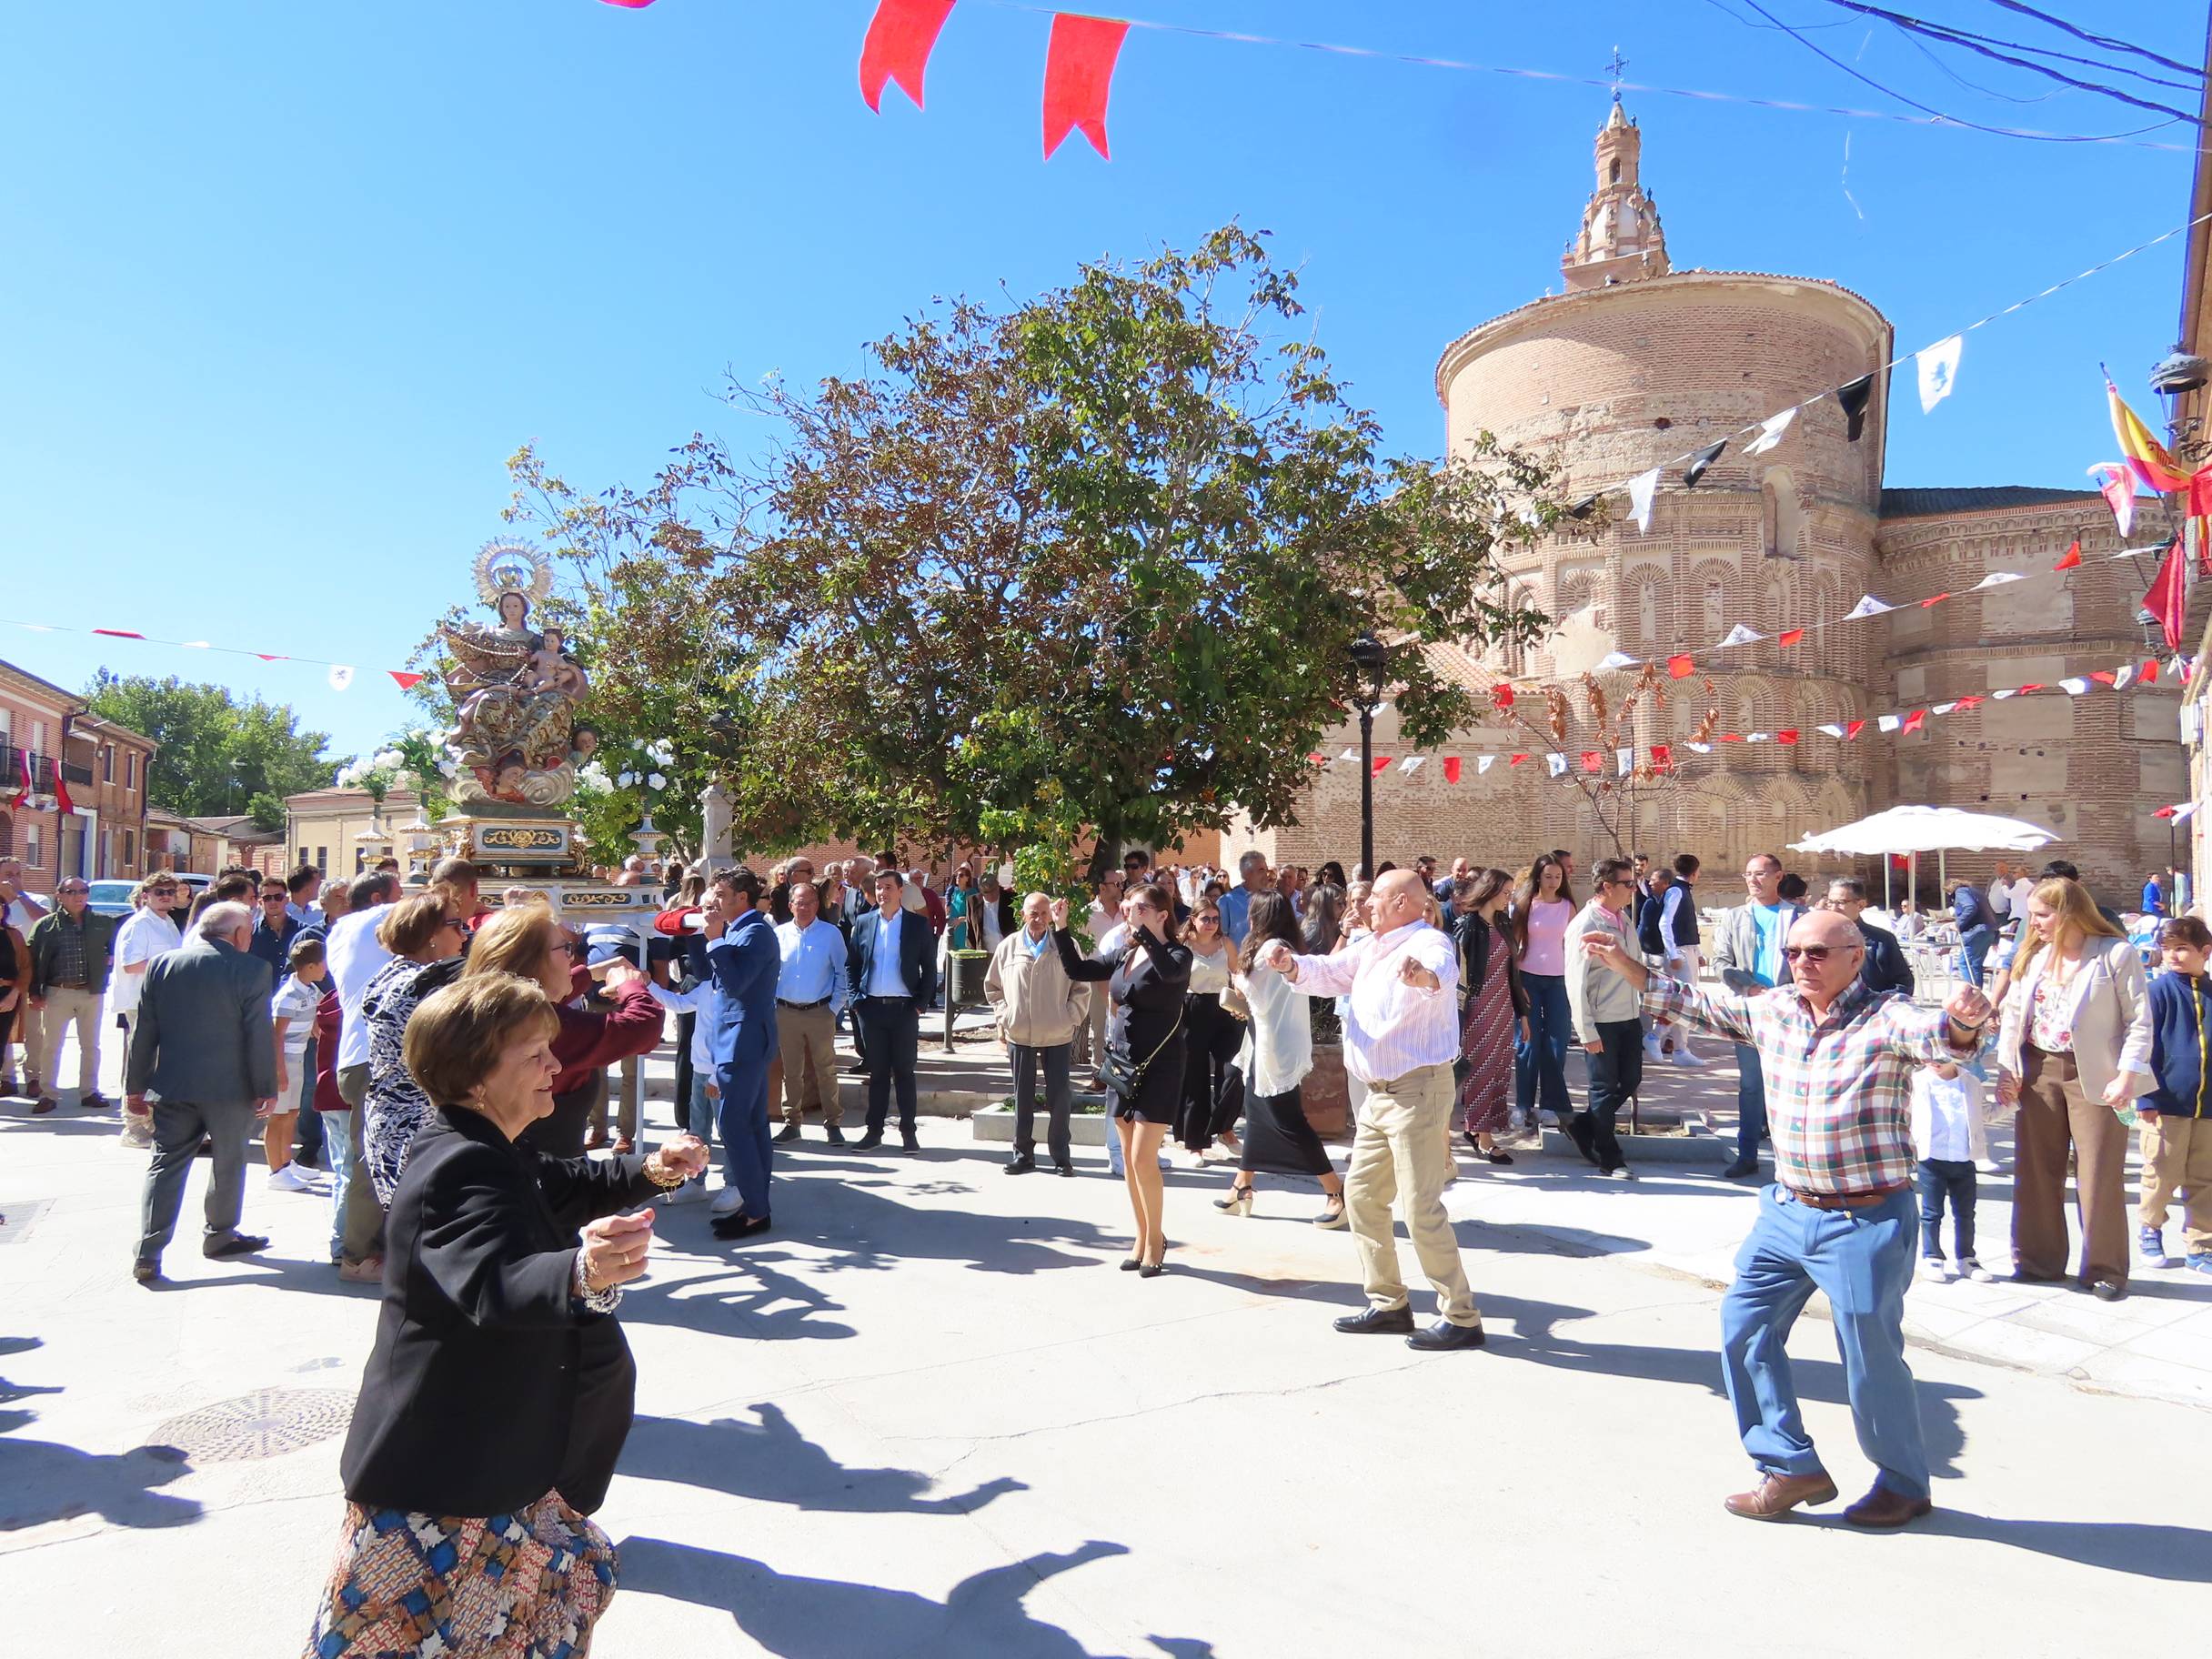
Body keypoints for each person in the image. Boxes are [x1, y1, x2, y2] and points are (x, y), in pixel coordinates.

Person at [308, 972, 708, 1657]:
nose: (556, 1065)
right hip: (438, 1482)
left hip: (488, 1467)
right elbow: (488, 1282)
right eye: (534, 1054)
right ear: (475, 1077)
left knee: (558, 1592)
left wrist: (657, 1170)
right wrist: (581, 1271)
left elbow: (568, 1185)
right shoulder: (460, 1164)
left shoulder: (491, 1145)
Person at [1583, 908, 1995, 1527]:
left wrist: (1963, 1023)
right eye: (1796, 951)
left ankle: (1903, 1482)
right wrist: (1627, 967)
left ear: (1855, 957)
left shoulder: (1885, 1017)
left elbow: (1941, 1038)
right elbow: (1698, 1005)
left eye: (1818, 953)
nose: (1802, 962)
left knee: (1869, 1356)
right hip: (1786, 1210)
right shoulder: (1773, 1008)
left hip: (1865, 1217)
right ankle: (1787, 1465)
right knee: (1743, 1328)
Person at [1258, 870, 1482, 1349]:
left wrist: (1423, 978)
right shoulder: (1369, 946)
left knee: (1421, 1208)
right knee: (1361, 1198)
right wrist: (1290, 965)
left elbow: (1442, 975)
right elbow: (1327, 973)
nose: (1365, 904)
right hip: (1379, 1097)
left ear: (1401, 901)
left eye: (1376, 897)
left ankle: (1462, 1317)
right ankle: (1388, 1304)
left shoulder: (1429, 942)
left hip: (1416, 1092)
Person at [1994, 876, 2153, 1301]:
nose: (2034, 924)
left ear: (2069, 913)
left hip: (2095, 1074)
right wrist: (2007, 1068)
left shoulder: (2115, 954)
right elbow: (2014, 1017)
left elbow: (2139, 1018)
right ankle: (2037, 1262)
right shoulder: (2034, 956)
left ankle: (2105, 1269)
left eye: (2042, 915)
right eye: (2032, 915)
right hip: (2038, 1068)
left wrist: (2127, 1074)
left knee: (2098, 1171)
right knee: (2035, 1169)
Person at [126, 901, 279, 1282]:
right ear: (240, 934)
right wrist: (266, 1087)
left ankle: (149, 1250)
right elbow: (256, 1034)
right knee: (229, 1163)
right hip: (230, 1089)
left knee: (165, 1165)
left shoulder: (163, 964)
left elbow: (145, 1031)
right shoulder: (252, 969)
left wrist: (134, 1086)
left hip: (173, 1086)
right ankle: (220, 1235)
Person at [1051, 884, 1191, 1274]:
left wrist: (1143, 931)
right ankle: (1143, 1236)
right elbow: (1079, 969)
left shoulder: (1179, 955)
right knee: (1129, 1161)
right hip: (1123, 1065)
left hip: (1160, 1066)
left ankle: (1157, 1239)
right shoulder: (1127, 954)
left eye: (1141, 908)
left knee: (1143, 1158)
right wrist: (1061, 930)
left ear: (1163, 915)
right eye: (1131, 906)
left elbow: (1168, 972)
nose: (1131, 911)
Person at [460, 904, 664, 1162]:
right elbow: (644, 1026)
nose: (572, 956)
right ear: (533, 962)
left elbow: (537, 991)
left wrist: (590, 974)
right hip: (546, 1184)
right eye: (565, 948)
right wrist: (630, 984)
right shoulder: (538, 1027)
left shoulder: (487, 1009)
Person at [1218, 892, 1345, 1224]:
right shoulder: (1275, 944)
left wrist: (1235, 985)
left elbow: (1249, 986)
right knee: (1258, 1115)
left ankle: (1336, 1191)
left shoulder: (1273, 948)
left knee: (1287, 1120)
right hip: (1262, 1042)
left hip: (1275, 1047)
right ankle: (1241, 1185)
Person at [359, 891, 473, 1205]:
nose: (464, 933)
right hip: (417, 1122)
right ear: (431, 934)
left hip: (388, 1115)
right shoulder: (426, 983)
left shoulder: (388, 973)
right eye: (456, 925)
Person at [1711, 853, 1805, 1180]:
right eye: (1749, 874)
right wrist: (1748, 987)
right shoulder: (1735, 917)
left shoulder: (1799, 916)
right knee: (1751, 1086)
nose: (1754, 879)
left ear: (1778, 876)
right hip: (1749, 1013)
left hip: (1790, 1012)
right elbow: (1720, 961)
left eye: (1761, 873)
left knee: (1791, 1086)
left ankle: (1790, 1159)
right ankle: (1747, 1153)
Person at [327, 870, 401, 1283]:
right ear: (379, 900)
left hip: (359, 1058)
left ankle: (364, 1248)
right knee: (371, 1161)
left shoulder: (341, 929)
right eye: (398, 895)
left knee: (371, 1157)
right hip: (375, 1059)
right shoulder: (376, 920)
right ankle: (357, 1255)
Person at [984, 892, 1090, 1176]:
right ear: (1022, 914)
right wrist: (1005, 1017)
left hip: (1057, 1034)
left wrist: (1071, 1018)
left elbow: (1081, 987)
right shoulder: (1009, 947)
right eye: (1034, 913)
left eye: (1045, 913)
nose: (1039, 919)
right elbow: (993, 988)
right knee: (1022, 1096)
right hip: (1020, 1033)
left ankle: (1061, 1156)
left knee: (1059, 1097)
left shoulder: (1065, 945)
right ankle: (1023, 1155)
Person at [700, 867, 780, 1235]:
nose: (714, 900)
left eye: (721, 894)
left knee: (734, 1125)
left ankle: (756, 1211)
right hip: (739, 1039)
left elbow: (734, 983)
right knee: (751, 1124)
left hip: (744, 1040)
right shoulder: (741, 928)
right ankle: (755, 1206)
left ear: (742, 898)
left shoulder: (755, 932)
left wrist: (715, 941)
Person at [2138, 915, 2212, 1275]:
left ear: (2205, 952)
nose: (2173, 956)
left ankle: (2201, 1245)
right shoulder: (2157, 993)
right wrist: (2146, 1098)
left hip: (2209, 1108)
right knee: (2161, 1173)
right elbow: (2144, 1049)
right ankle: (2150, 1228)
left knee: (2205, 1178)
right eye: (2167, 949)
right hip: (2167, 1104)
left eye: (2182, 948)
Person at [1563, 858, 1644, 1179]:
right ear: (1606, 887)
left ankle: (1584, 1126)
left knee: (1631, 1080)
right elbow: (1575, 980)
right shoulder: (1586, 924)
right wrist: (1586, 1030)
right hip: (1602, 1020)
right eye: (1628, 884)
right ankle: (1609, 1157)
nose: (1633, 889)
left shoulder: (1623, 918)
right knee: (1603, 1086)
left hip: (1629, 1014)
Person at [849, 869, 937, 1151]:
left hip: (904, 1010)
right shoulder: (864, 923)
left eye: (888, 887)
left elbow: (930, 969)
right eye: (878, 888)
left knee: (904, 1073)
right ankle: (873, 1131)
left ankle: (908, 1133)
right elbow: (852, 965)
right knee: (877, 1073)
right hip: (871, 1009)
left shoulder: (916, 925)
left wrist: (920, 1006)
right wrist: (856, 1001)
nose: (882, 893)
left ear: (901, 891)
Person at [1453, 868, 1527, 1163]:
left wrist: (1522, 1012)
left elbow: (1513, 973)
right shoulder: (1467, 926)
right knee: (1481, 1071)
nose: (1509, 898)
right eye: (1505, 892)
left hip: (1504, 1006)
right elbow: (1458, 974)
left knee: (1498, 1070)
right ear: (1490, 890)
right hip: (1478, 1008)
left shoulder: (1503, 923)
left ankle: (1477, 1129)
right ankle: (1484, 1137)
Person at [26, 876, 117, 1115]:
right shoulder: (46, 925)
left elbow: (115, 952)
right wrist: (35, 992)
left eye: (83, 890)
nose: (78, 896)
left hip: (91, 992)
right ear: (60, 895)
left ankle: (89, 1091)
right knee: (51, 1046)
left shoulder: (103, 923)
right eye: (71, 891)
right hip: (59, 991)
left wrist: (107, 965)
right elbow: (33, 960)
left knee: (91, 1045)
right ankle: (48, 1094)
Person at [770, 872, 849, 1147]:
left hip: (820, 1012)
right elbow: (770, 974)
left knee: (826, 1069)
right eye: (799, 902)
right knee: (791, 1072)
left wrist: (834, 1008)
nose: (805, 907)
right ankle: (792, 1123)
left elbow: (843, 973)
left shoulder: (831, 935)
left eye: (810, 902)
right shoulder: (778, 935)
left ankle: (833, 1123)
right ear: (790, 904)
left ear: (818, 904)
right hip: (786, 1012)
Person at [111, 872, 184, 1146]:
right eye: (158, 891)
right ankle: (133, 1127)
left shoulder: (168, 924)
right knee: (139, 1065)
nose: (165, 895)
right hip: (139, 1003)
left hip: (163, 1004)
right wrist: (166, 963)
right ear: (145, 895)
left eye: (169, 891)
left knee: (155, 1065)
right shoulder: (139, 925)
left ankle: (150, 1123)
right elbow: (132, 965)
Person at [1509, 854, 1577, 1131]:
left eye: (1558, 877)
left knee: (1556, 1043)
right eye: (1548, 876)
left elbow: (1572, 945)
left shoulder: (1568, 907)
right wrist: (1516, 983)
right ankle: (1523, 1104)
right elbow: (1512, 945)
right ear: (1538, 877)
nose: (1553, 882)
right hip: (1529, 978)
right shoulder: (1524, 905)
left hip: (1559, 981)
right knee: (1527, 1042)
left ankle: (1550, 1104)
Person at [1910, 1059, 1995, 1282]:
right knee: (1931, 1212)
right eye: (1931, 1056)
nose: (1935, 1063)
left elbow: (1986, 1112)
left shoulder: (1970, 1082)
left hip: (1963, 1157)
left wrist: (2011, 1099)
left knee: (1966, 1213)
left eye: (1943, 1057)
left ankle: (1966, 1257)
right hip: (1931, 1157)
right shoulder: (1916, 1081)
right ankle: (1932, 1255)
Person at [1174, 899, 1246, 1160]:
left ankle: (1225, 1128)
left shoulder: (1225, 943)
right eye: (1206, 919)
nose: (1211, 924)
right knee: (1196, 1078)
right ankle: (1196, 1143)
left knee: (1234, 1070)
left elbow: (1236, 971)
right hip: (1193, 1009)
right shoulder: (1183, 945)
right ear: (1193, 919)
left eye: (1215, 919)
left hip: (1224, 1009)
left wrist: (1241, 989)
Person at [267, 935, 331, 1193]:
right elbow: (276, 1035)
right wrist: (279, 1071)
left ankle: (286, 1163)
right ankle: (276, 1170)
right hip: (285, 1060)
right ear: (310, 967)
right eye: (323, 962)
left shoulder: (311, 990)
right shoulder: (288, 996)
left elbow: (315, 1013)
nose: (326, 967)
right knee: (278, 1116)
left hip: (299, 1056)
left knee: (292, 1113)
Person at [1823, 878, 1915, 1000]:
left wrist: (1877, 1003)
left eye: (1841, 902)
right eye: (1830, 902)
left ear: (1860, 905)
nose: (1833, 908)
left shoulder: (1881, 940)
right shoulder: (1818, 938)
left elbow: (1904, 984)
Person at [1074, 870, 1125, 1077]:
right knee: (1100, 1028)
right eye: (1116, 884)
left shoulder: (1126, 911)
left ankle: (1121, 1075)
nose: (1120, 887)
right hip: (1098, 980)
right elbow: (1079, 948)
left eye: (1121, 883)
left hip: (1124, 978)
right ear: (1102, 887)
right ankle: (1099, 1074)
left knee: (1121, 1027)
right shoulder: (1087, 914)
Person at [1659, 852, 1706, 1066]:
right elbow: (1665, 923)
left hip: (1688, 950)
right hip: (1680, 951)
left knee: (1686, 1000)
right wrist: (1674, 953)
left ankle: (1680, 1048)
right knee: (1685, 1000)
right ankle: (1657, 1037)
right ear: (1695, 873)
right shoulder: (1677, 891)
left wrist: (1698, 953)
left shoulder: (1682, 890)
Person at [249, 877, 303, 980]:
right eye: (267, 898)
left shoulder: (302, 930)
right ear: (260, 902)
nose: (273, 902)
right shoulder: (250, 932)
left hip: (294, 993)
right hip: (261, 993)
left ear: (287, 900)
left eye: (278, 897)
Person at [1217, 850, 1273, 947]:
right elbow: (1220, 938)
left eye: (1266, 870)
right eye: (1261, 870)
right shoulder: (1226, 902)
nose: (1266, 875)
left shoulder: (1272, 900)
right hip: (1238, 959)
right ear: (1246, 874)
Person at [1952, 879, 1998, 988]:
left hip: (1975, 931)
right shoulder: (1978, 893)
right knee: (1976, 964)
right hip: (1988, 931)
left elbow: (1970, 907)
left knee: (1965, 963)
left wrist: (1958, 923)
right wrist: (1996, 937)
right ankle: (1978, 995)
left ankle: (1971, 993)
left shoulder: (1961, 892)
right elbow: (1990, 913)